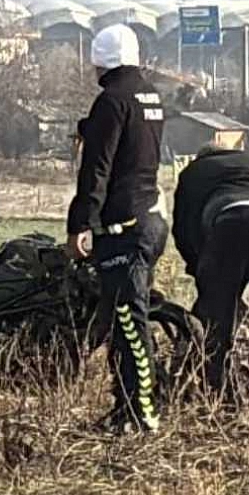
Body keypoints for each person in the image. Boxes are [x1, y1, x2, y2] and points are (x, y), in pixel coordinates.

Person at [66, 24, 168, 434]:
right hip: (151, 217)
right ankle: (126, 408)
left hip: (122, 225)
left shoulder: (111, 100)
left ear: (97, 61)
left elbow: (99, 168)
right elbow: (132, 145)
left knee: (129, 323)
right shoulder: (149, 96)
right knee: (126, 320)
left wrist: (81, 224)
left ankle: (141, 413)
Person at [172, 144, 249, 405]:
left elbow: (183, 228)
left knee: (218, 315)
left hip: (230, 222)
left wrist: (199, 269)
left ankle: (219, 394)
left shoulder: (193, 172)